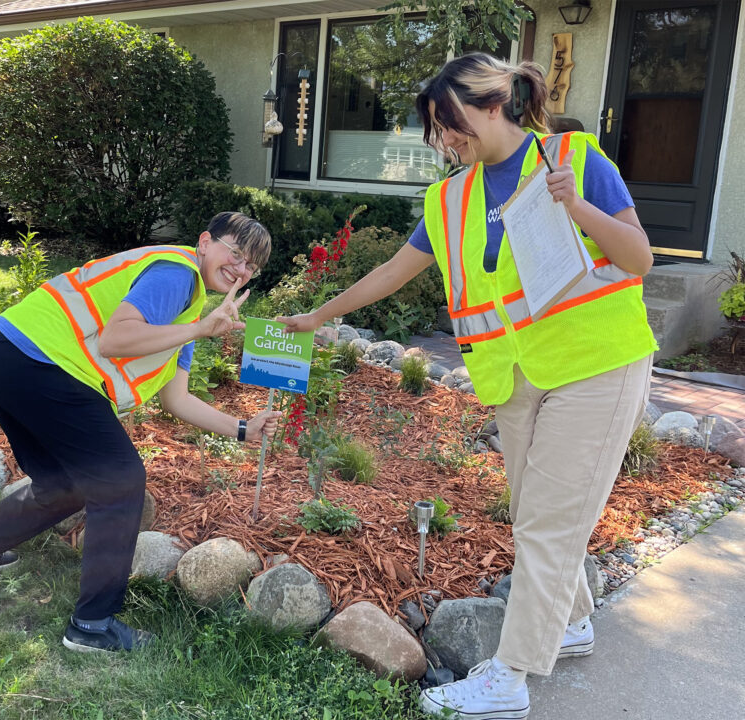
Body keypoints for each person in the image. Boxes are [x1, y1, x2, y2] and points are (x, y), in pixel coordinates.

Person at [278, 53, 656, 720]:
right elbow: (395, 270)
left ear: (492, 104)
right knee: (538, 513)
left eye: (450, 124)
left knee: (545, 524)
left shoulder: (573, 157)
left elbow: (638, 257)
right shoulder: (452, 197)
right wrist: (318, 315)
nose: (445, 141)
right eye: (435, 130)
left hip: (597, 363)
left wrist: (578, 207)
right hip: (514, 374)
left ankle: (508, 677)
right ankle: (571, 622)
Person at [0, 212, 282, 654]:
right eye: (236, 253)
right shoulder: (178, 274)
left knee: (65, 484)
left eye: (253, 266)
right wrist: (199, 328)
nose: (242, 269)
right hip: (41, 363)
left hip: (10, 356)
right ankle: (92, 625)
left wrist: (242, 429)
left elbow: (177, 401)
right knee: (119, 480)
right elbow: (115, 340)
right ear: (205, 242)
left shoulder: (188, 312)